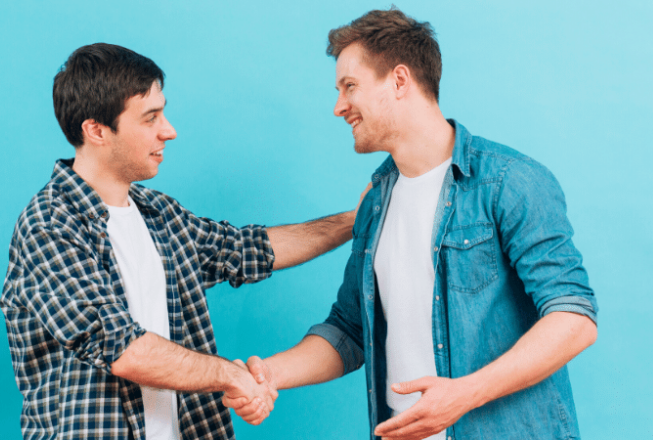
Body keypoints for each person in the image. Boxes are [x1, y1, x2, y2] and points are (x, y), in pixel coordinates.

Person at [228, 8, 599, 440]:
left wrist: (464, 395)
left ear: (399, 80)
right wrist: (269, 374)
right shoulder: (376, 201)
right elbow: (349, 330)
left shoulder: (508, 182)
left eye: (350, 87)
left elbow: (574, 317)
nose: (338, 107)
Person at [0, 43, 366, 440]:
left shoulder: (159, 215)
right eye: (150, 118)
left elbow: (249, 250)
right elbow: (124, 350)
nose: (168, 130)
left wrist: (358, 219)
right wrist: (230, 376)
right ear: (97, 130)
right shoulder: (50, 226)